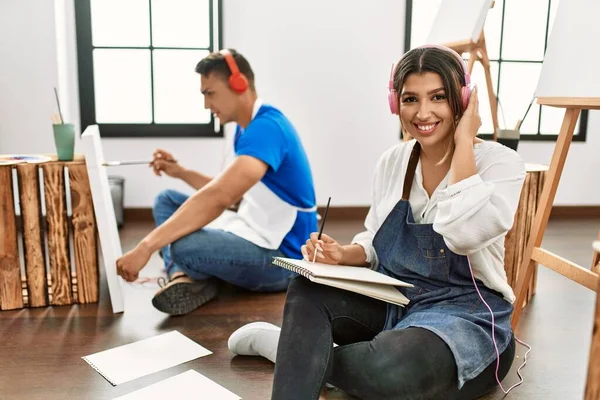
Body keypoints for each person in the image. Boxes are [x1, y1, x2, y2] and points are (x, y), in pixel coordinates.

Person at [227, 45, 526, 399]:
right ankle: (305, 355)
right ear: (395, 103)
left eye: (439, 97)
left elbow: (461, 235)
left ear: (462, 100)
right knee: (307, 288)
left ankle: (292, 349)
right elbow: (375, 237)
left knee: (387, 371)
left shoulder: (501, 165)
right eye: (411, 99)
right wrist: (343, 254)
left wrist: (464, 142)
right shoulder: (393, 162)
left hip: (467, 319)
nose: (423, 112)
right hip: (397, 300)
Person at [116, 49, 317, 316]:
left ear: (239, 84)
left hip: (284, 259)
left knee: (182, 245)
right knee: (166, 200)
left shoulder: (267, 128)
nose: (206, 105)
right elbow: (232, 194)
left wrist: (146, 246)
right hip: (253, 227)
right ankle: (186, 277)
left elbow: (220, 197)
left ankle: (188, 273)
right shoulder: (246, 127)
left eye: (209, 93)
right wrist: (180, 172)